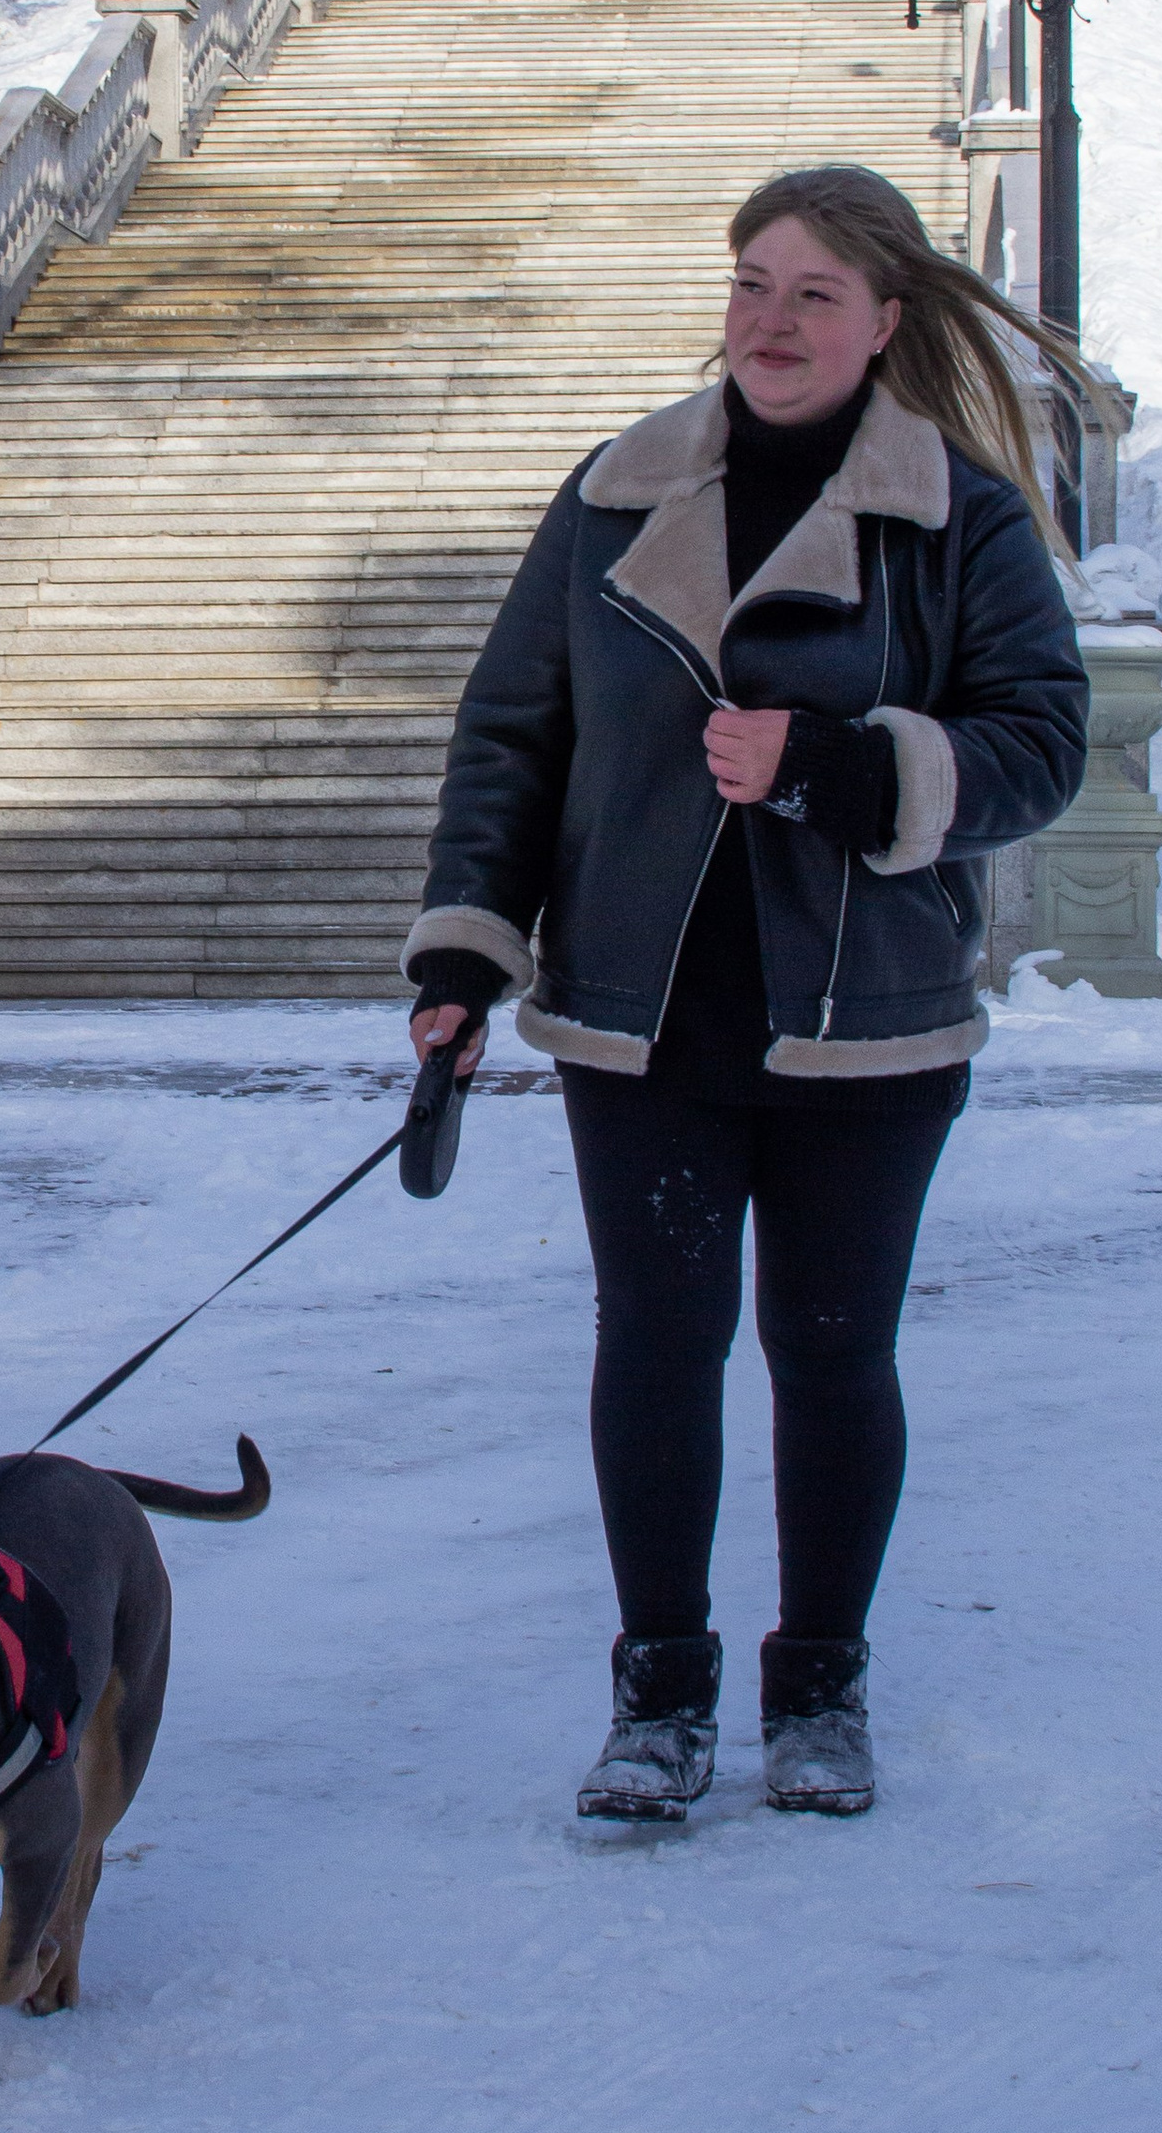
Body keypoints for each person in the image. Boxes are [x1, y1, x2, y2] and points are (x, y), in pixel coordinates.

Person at [403, 164, 1090, 1823]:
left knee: (831, 1356)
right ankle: (659, 1694)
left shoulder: (963, 518)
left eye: (815, 295)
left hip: (873, 1024)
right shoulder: (616, 494)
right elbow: (515, 737)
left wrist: (851, 766)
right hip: (642, 1025)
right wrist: (463, 952)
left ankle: (822, 1688)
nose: (771, 323)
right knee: (656, 1349)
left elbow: (1042, 744)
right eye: (751, 283)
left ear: (886, 324)